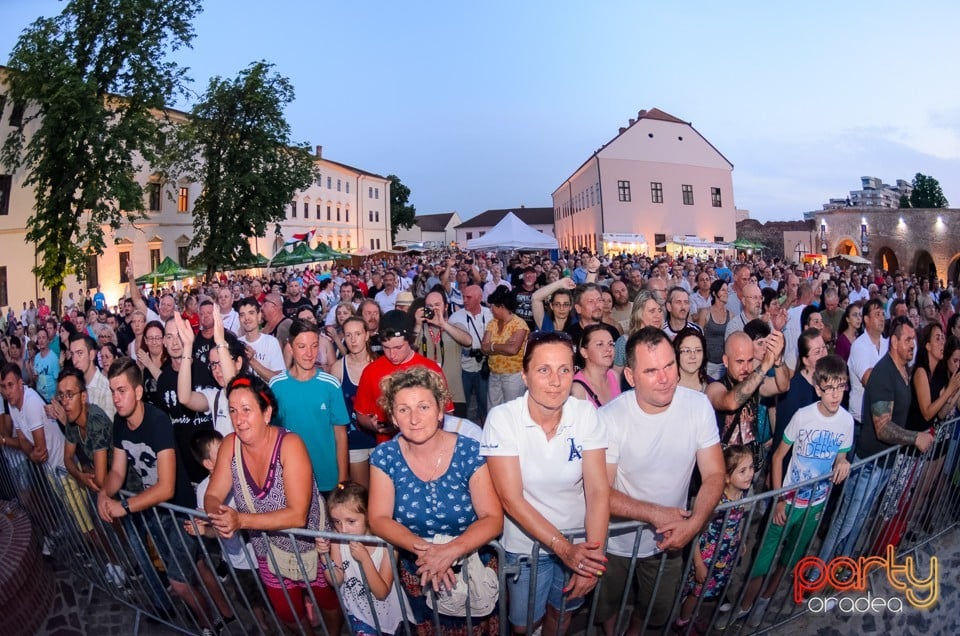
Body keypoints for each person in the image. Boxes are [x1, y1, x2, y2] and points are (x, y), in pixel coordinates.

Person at [597, 327, 724, 635]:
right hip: (613, 542)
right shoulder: (610, 418)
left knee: (656, 609)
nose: (665, 377)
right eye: (651, 371)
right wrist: (654, 513)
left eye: (669, 365)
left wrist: (692, 525)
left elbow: (715, 474)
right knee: (604, 606)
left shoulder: (697, 406)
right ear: (630, 376)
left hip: (670, 539)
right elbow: (600, 493)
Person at [482, 331, 609, 635]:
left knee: (562, 614)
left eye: (564, 369)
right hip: (526, 547)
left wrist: (594, 558)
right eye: (543, 370)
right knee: (525, 625)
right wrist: (563, 549)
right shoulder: (503, 419)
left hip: (580, 542)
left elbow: (597, 490)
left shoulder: (585, 414)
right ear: (524, 376)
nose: (555, 380)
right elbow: (511, 499)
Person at [369, 367, 503, 633]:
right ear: (393, 416)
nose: (414, 418)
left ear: (440, 411)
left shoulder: (470, 451)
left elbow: (492, 519)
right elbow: (379, 518)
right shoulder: (385, 456)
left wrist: (450, 551)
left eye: (423, 407)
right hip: (419, 572)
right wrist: (428, 554)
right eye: (404, 409)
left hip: (471, 568)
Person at [203, 374, 340, 633]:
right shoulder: (230, 445)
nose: (238, 419)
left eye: (246, 410)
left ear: (266, 413)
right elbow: (212, 495)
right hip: (267, 548)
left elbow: (298, 515)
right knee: (287, 612)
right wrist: (218, 515)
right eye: (232, 410)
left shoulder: (290, 445)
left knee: (327, 600)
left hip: (313, 543)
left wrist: (240, 520)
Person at [97, 358, 225, 628]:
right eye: (112, 391)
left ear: (139, 392)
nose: (116, 398)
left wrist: (126, 506)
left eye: (122, 391)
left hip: (178, 510)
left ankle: (209, 625)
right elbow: (117, 473)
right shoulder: (120, 425)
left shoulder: (158, 422)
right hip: (155, 510)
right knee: (198, 563)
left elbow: (166, 486)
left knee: (179, 583)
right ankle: (225, 614)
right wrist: (103, 494)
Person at [732, 355, 854, 629]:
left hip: (816, 505)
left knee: (789, 560)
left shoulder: (846, 422)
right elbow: (778, 457)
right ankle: (744, 605)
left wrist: (843, 463)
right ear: (819, 389)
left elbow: (841, 457)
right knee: (764, 558)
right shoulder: (803, 416)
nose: (835, 395)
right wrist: (779, 500)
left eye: (840, 387)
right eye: (829, 388)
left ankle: (763, 603)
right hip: (788, 503)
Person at [818, 316, 932, 563]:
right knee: (845, 522)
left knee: (859, 519)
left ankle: (842, 565)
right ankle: (816, 576)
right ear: (894, 341)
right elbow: (882, 428)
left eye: (914, 339)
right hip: (869, 463)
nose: (913, 344)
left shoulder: (904, 370)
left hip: (885, 462)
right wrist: (915, 438)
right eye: (908, 340)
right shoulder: (883, 374)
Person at [673, 445, 753, 634]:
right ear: (726, 477)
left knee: (705, 592)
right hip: (706, 558)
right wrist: (699, 564)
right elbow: (694, 532)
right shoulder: (715, 503)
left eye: (750, 468)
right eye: (742, 471)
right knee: (696, 592)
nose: (749, 474)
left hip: (724, 555)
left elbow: (737, 520)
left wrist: (739, 538)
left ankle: (692, 616)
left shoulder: (741, 494)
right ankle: (682, 621)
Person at [316, 483, 413, 636]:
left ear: (368, 516)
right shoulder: (337, 539)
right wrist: (324, 556)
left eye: (351, 521)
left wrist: (365, 560)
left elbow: (381, 593)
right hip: (360, 616)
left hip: (391, 617)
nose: (343, 529)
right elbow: (336, 580)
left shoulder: (387, 544)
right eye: (336, 522)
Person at [269, 319, 350, 494]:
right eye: (302, 346)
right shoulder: (276, 385)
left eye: (314, 346)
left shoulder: (331, 385)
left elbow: (341, 435)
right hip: (289, 479)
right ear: (290, 347)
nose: (309, 353)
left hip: (327, 479)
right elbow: (271, 435)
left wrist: (343, 480)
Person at [354, 310, 448, 443]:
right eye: (386, 348)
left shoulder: (431, 369)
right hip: (388, 449)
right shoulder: (371, 371)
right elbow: (361, 414)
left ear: (409, 341)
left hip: (426, 448)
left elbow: (447, 413)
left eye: (398, 347)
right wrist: (372, 425)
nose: (392, 354)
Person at [331, 316, 377, 488]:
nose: (353, 339)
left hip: (379, 437)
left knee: (381, 491)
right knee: (361, 493)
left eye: (358, 334)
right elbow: (333, 410)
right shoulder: (337, 368)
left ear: (366, 335)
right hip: (353, 440)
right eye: (348, 335)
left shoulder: (379, 364)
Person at [413, 290, 472, 416]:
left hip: (454, 393)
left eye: (437, 305)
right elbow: (409, 350)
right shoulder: (419, 329)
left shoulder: (455, 326)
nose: (433, 309)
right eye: (429, 306)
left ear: (445, 307)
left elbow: (468, 341)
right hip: (425, 394)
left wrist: (443, 324)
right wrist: (417, 325)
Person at [448, 284, 494, 423]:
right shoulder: (455, 318)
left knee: (485, 404)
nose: (464, 300)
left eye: (469, 297)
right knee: (462, 404)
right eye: (463, 297)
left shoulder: (490, 314)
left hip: (484, 367)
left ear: (480, 298)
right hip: (464, 366)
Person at [483, 287, 530, 410]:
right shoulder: (492, 323)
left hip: (513, 376)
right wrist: (504, 346)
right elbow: (483, 347)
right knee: (493, 411)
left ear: (501, 306)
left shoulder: (519, 324)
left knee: (512, 411)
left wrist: (492, 345)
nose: (491, 309)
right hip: (494, 375)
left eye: (492, 306)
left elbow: (513, 350)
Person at [236, 296, 285, 381]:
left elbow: (279, 380)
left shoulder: (271, 342)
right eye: (242, 315)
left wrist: (251, 361)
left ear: (259, 316)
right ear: (239, 319)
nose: (246, 318)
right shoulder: (237, 344)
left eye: (251, 313)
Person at [571, 324, 620, 407]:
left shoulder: (614, 376)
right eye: (600, 344)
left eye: (611, 344)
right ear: (584, 352)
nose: (608, 349)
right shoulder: (577, 389)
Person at [674, 327, 709, 393]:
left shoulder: (711, 387)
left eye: (698, 350)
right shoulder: (666, 387)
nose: (693, 356)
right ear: (677, 353)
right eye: (687, 350)